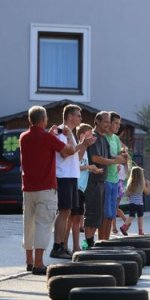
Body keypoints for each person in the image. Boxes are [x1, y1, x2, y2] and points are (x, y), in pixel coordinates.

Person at [19, 106, 76, 275]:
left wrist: (50, 135)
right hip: (46, 188)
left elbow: (39, 147)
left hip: (28, 188)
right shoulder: (47, 138)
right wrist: (69, 136)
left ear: (30, 120)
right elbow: (69, 150)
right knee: (43, 225)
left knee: (28, 225)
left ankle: (29, 261)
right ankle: (39, 264)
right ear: (43, 120)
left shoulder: (23, 137)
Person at [84, 111, 127, 248]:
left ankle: (100, 243)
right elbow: (95, 158)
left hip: (103, 181)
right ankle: (88, 244)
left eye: (109, 122)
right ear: (97, 121)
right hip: (93, 181)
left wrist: (121, 158)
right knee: (93, 216)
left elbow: (111, 156)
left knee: (103, 215)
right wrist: (114, 161)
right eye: (106, 122)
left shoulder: (104, 138)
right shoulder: (93, 136)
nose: (108, 125)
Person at [50, 104, 86, 259]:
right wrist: (81, 144)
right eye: (78, 115)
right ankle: (57, 247)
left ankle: (63, 246)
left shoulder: (70, 133)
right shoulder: (61, 132)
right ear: (70, 116)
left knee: (68, 212)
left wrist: (83, 145)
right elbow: (65, 154)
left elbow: (75, 157)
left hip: (71, 176)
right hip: (63, 176)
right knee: (63, 211)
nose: (80, 118)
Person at [68, 124, 101, 252]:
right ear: (82, 135)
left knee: (77, 219)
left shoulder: (86, 150)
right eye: (89, 134)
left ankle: (75, 246)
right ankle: (73, 246)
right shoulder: (80, 148)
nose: (92, 137)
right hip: (76, 186)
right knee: (73, 219)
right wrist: (89, 167)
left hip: (81, 188)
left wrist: (93, 169)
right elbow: (75, 166)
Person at [98, 111, 124, 241]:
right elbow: (106, 157)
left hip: (115, 178)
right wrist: (116, 159)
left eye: (119, 124)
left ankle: (106, 241)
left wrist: (123, 156)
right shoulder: (103, 138)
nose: (118, 126)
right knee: (105, 213)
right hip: (105, 179)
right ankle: (101, 241)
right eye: (115, 123)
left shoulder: (116, 139)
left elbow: (120, 156)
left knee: (111, 213)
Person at [119, 166, 150, 236]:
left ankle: (124, 226)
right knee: (140, 217)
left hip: (132, 203)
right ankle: (140, 231)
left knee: (131, 216)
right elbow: (147, 192)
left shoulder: (130, 184)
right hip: (139, 204)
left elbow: (127, 194)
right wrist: (148, 185)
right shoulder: (141, 184)